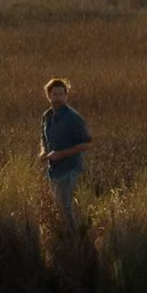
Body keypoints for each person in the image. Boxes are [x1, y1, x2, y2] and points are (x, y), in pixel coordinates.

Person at [37, 78, 93, 230]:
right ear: (48, 95)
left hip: (70, 170)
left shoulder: (73, 118)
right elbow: (43, 139)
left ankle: (76, 237)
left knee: (68, 209)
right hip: (53, 170)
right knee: (59, 208)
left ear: (66, 96)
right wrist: (43, 153)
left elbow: (86, 144)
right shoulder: (46, 116)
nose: (58, 98)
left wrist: (61, 154)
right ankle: (68, 236)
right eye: (55, 94)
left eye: (61, 94)